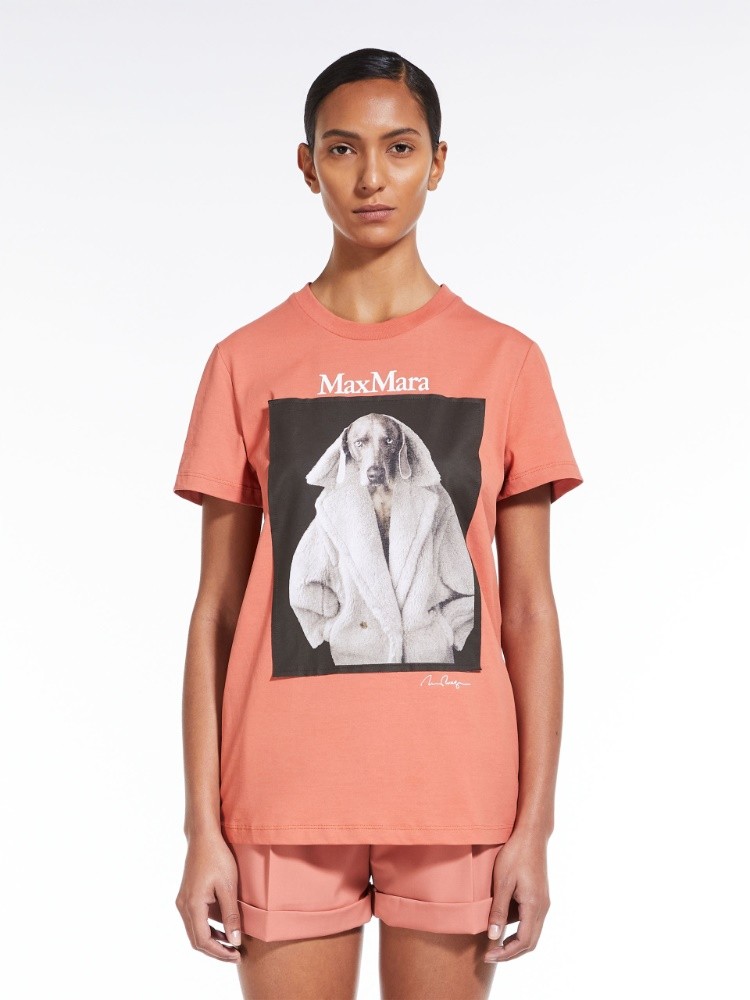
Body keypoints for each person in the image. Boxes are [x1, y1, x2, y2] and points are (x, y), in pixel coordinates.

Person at [173, 47, 583, 1000]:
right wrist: (201, 829)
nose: (370, 177)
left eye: (399, 148)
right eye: (341, 148)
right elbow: (218, 613)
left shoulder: (507, 362)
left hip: (457, 796)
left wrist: (535, 828)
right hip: (281, 795)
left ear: (437, 163)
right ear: (306, 164)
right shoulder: (245, 360)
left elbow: (528, 612)